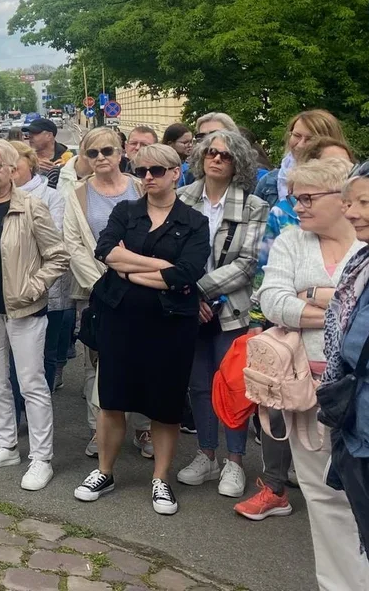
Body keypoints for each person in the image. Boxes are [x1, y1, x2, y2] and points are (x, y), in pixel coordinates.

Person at [246, 159, 369, 588]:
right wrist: (342, 308)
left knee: (365, 494)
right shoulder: (291, 240)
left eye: (307, 198)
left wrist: (314, 297)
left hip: (361, 393)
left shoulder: (367, 242)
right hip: (303, 390)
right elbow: (273, 299)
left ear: (342, 200)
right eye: (294, 197)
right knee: (321, 494)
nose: (296, 206)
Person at [74, 144, 210, 516]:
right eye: (142, 169)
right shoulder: (126, 211)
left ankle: (161, 478)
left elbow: (186, 273)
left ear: (175, 174)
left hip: (170, 326)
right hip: (120, 320)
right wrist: (156, 266)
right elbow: (106, 251)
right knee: (112, 399)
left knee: (164, 406)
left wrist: (130, 269)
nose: (148, 176)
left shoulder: (194, 221)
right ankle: (105, 471)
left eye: (157, 170)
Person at [0, 139, 68, 490]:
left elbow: (58, 256)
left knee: (32, 384)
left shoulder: (32, 207)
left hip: (24, 309)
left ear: (11, 170)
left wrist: (33, 287)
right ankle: (7, 445)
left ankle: (41, 458)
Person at [176, 129, 268, 497]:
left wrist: (199, 289)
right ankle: (206, 454)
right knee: (198, 385)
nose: (216, 159)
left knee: (232, 386)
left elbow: (247, 264)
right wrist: (188, 295)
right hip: (189, 308)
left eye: (225, 155)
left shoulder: (252, 206)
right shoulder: (182, 199)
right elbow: (173, 255)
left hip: (231, 308)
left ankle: (235, 462)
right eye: (210, 152)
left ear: (238, 163)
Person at [62, 127, 150, 457]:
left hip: (143, 287)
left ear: (121, 153)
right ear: (84, 157)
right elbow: (72, 243)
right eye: (93, 153)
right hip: (96, 289)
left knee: (143, 358)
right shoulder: (79, 194)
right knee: (95, 362)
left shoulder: (141, 186)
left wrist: (138, 276)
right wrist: (101, 284)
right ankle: (97, 429)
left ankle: (143, 428)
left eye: (108, 151)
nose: (101, 158)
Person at [323, 159, 369, 579]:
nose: (351, 211)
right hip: (357, 428)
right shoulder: (364, 264)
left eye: (364, 202)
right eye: (348, 201)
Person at [11, 142, 72, 393]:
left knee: (44, 351)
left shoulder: (52, 196)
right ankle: (17, 410)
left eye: (16, 160)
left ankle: (39, 405)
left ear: (31, 163)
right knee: (13, 353)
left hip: (46, 284)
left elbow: (54, 238)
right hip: (9, 287)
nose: (10, 166)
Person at [254, 109, 346, 208]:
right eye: (297, 136)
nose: (301, 144)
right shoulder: (268, 183)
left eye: (310, 139)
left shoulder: (348, 182)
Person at [23, 118, 71, 188]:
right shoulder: (25, 157)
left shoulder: (68, 158)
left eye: (35, 132)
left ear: (49, 135)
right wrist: (30, 166)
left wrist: (58, 170)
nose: (30, 136)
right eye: (29, 133)